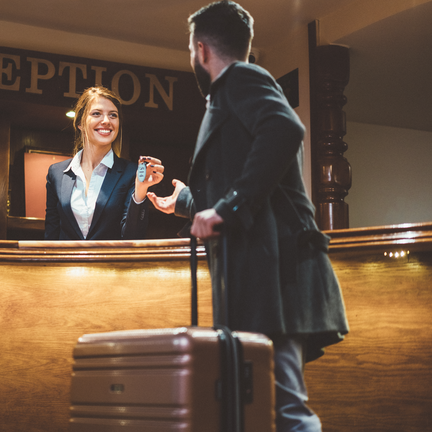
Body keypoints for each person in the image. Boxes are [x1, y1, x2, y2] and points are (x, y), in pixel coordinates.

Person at [146, 2, 349, 431]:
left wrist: (226, 208)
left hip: (275, 278)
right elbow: (240, 180)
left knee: (287, 410)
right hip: (261, 278)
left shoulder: (241, 77)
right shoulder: (232, 90)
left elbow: (285, 130)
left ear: (201, 50)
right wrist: (185, 203)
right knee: (258, 408)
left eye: (190, 50)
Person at [45, 86, 164, 240]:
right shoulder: (56, 173)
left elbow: (132, 238)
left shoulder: (131, 173)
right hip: (68, 263)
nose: (106, 121)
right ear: (80, 123)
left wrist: (140, 190)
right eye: (96, 114)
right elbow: (51, 235)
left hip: (109, 263)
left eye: (113, 115)